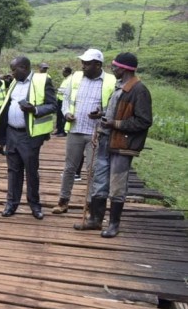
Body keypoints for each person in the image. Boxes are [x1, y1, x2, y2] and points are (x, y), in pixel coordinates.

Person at [74, 52, 152, 238]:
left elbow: (144, 121)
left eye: (115, 67)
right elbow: (117, 112)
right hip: (105, 142)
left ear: (124, 69)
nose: (112, 69)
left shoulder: (139, 90)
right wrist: (102, 114)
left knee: (117, 186)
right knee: (99, 182)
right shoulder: (119, 87)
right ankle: (95, 220)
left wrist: (114, 124)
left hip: (122, 145)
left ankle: (114, 225)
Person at [53, 49, 116, 214]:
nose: (83, 66)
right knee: (69, 168)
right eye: (83, 63)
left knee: (93, 170)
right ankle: (63, 201)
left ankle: (89, 206)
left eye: (87, 64)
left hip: (96, 133)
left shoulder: (110, 81)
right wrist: (66, 113)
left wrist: (102, 113)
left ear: (98, 65)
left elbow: (115, 107)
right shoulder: (76, 77)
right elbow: (66, 100)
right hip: (75, 130)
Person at [0, 56, 57, 220]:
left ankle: (34, 205)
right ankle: (11, 204)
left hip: (29, 135)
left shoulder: (41, 81)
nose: (12, 73)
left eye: (14, 69)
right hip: (12, 133)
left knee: (31, 171)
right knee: (13, 170)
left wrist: (34, 110)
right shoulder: (14, 82)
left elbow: (53, 105)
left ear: (23, 67)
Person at [53, 66, 72, 137]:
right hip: (60, 99)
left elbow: (68, 90)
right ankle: (58, 130)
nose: (62, 73)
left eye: (63, 71)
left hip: (64, 101)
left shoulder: (70, 79)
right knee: (59, 116)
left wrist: (60, 90)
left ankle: (63, 132)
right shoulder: (66, 79)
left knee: (63, 117)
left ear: (67, 72)